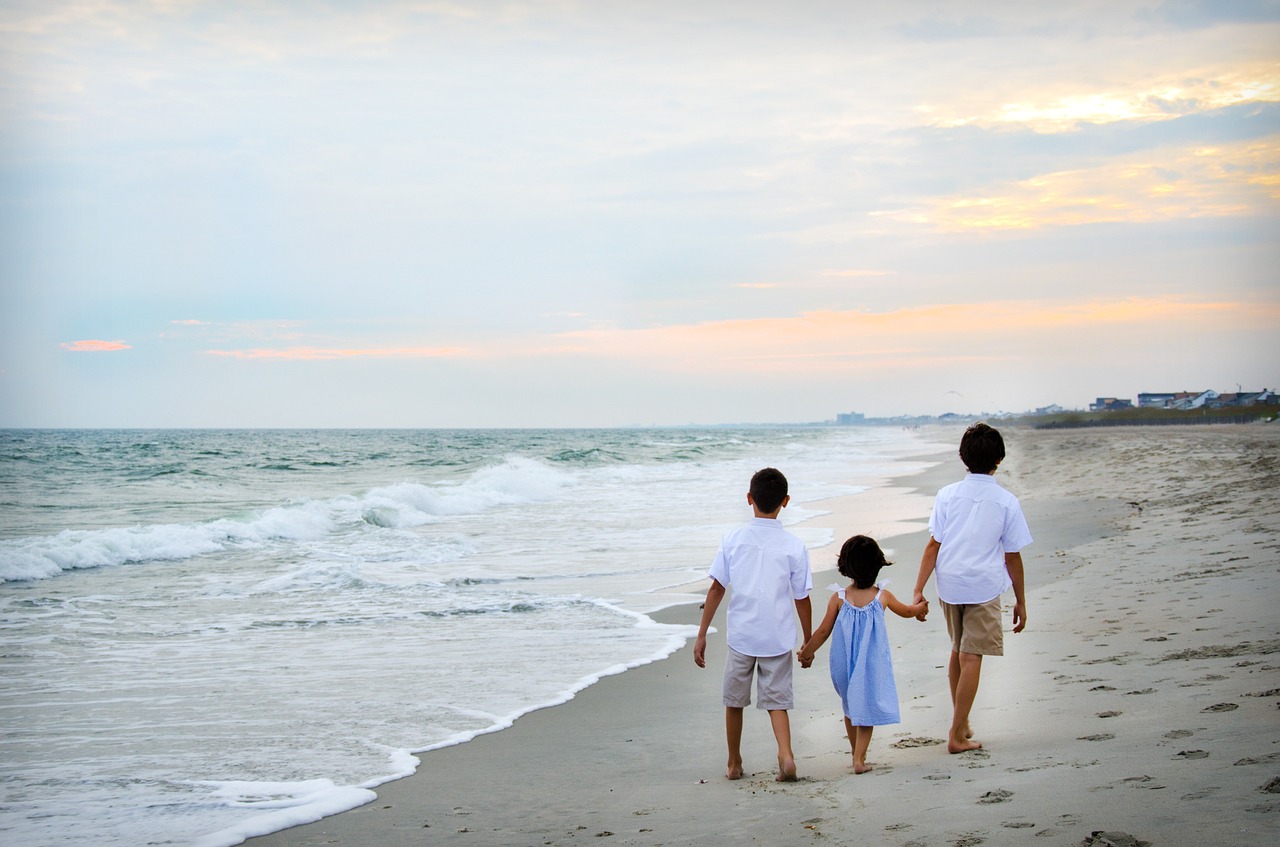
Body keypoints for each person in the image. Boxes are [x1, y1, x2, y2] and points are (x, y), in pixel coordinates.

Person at [912, 422, 1032, 753]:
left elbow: (933, 546)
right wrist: (1021, 601)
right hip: (982, 586)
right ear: (999, 460)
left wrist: (918, 589)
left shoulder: (947, 495)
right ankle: (955, 733)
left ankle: (961, 723)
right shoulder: (1006, 501)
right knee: (971, 655)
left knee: (958, 648)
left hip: (949, 583)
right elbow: (1012, 557)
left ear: (963, 457)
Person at [694, 467, 813, 782]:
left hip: (742, 635)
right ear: (785, 501)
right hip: (777, 635)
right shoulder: (793, 546)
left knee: (734, 701)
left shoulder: (733, 539)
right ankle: (786, 756)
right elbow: (802, 598)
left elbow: (717, 588)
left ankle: (734, 763)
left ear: (749, 499)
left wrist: (702, 633)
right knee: (778, 702)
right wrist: (809, 641)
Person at [798, 535, 928, 773]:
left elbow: (824, 631)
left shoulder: (839, 598)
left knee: (850, 706)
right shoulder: (882, 597)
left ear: (845, 568)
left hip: (844, 664)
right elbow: (907, 611)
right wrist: (920, 609)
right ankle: (860, 758)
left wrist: (807, 651)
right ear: (878, 566)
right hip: (871, 664)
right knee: (865, 709)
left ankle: (855, 754)